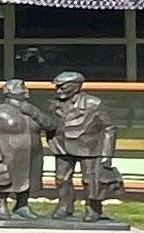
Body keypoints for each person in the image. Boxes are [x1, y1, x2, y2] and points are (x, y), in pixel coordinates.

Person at [43, 69, 122, 218]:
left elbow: (109, 128)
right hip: (62, 147)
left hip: (89, 148)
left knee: (91, 180)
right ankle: (65, 205)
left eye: (62, 87)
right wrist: (52, 140)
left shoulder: (94, 104)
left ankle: (93, 208)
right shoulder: (53, 103)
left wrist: (106, 155)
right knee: (61, 179)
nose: (58, 91)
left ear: (75, 86)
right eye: (57, 87)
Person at [0, 77, 44, 218]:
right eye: (22, 88)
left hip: (31, 153)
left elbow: (48, 125)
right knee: (3, 178)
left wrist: (34, 113)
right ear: (11, 92)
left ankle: (22, 205)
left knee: (28, 178)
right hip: (7, 153)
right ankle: (1, 205)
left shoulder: (30, 110)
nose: (26, 91)